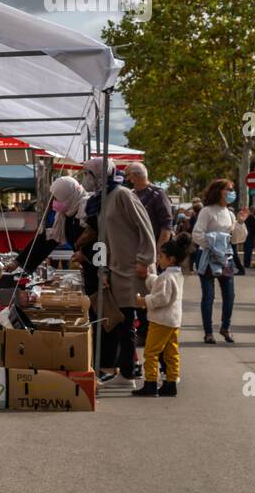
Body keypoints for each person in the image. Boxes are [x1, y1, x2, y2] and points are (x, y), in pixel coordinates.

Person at [79, 157, 155, 382]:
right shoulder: (102, 200)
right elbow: (102, 239)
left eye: (89, 174)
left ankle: (132, 371)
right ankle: (127, 370)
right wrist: (102, 269)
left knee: (131, 321)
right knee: (123, 321)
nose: (86, 180)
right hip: (115, 270)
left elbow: (145, 227)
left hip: (133, 269)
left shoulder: (122, 194)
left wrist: (144, 260)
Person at [133, 233, 192, 396]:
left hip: (160, 320)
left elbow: (161, 298)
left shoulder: (166, 277)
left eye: (161, 256)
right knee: (171, 353)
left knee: (151, 352)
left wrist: (144, 301)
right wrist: (151, 277)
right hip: (173, 320)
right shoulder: (176, 274)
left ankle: (151, 382)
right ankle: (170, 382)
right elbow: (162, 287)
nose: (159, 259)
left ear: (171, 259)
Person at [191, 178, 249, 344]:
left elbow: (237, 238)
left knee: (229, 295)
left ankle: (226, 327)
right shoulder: (207, 211)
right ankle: (208, 332)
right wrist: (214, 243)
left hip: (226, 258)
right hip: (207, 257)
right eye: (228, 189)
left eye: (232, 189)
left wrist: (240, 222)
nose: (231, 193)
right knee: (208, 296)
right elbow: (197, 234)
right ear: (218, 191)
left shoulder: (229, 213)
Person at [124, 161, 171, 346]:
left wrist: (158, 253)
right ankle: (142, 329)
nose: (127, 179)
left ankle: (147, 331)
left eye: (128, 175)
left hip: (150, 253)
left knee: (148, 291)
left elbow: (166, 225)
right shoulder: (132, 194)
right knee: (136, 292)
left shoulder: (157, 194)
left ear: (137, 175)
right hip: (134, 252)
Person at [17, 176, 86, 273]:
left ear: (69, 196)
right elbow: (47, 239)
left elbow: (101, 242)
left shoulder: (87, 212)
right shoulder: (64, 216)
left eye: (57, 198)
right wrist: (18, 262)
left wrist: (86, 254)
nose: (54, 202)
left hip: (100, 272)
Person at [241, 206, 255, 271]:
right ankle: (247, 263)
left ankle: (246, 263)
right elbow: (254, 227)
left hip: (246, 235)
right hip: (251, 236)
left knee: (246, 250)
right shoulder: (252, 217)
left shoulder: (246, 217)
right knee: (249, 250)